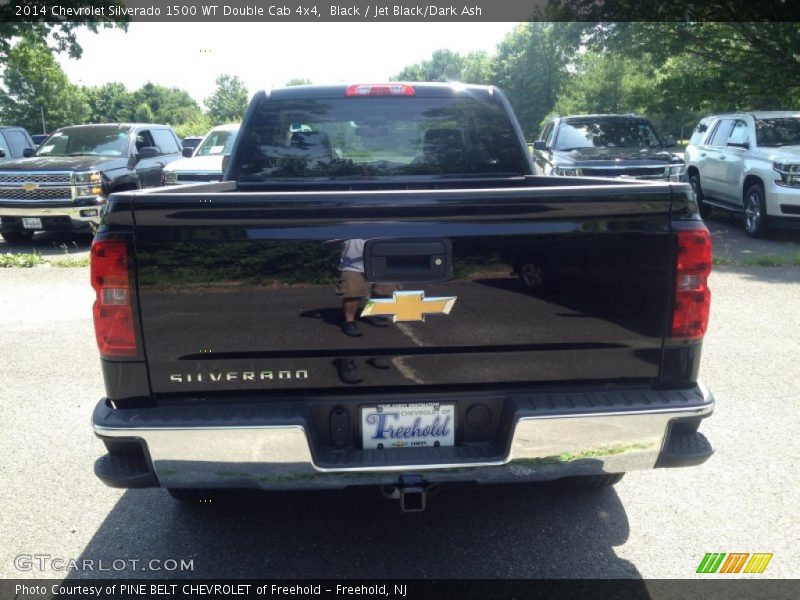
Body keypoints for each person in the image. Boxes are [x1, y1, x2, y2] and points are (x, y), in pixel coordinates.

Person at [336, 239, 393, 337]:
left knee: (383, 291)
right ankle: (349, 322)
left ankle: (373, 314)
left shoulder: (384, 224)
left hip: (380, 264)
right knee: (353, 293)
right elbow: (330, 241)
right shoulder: (347, 225)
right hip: (352, 267)